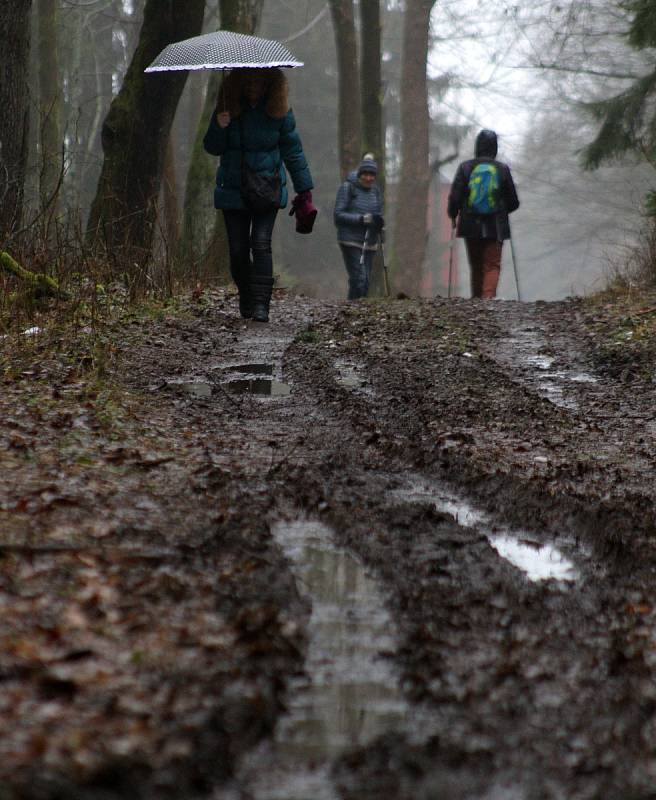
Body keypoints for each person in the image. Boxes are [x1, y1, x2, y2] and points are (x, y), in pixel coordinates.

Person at [203, 67, 314, 322]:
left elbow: (293, 151)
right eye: (249, 82)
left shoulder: (280, 112)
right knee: (238, 250)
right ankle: (247, 293)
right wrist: (219, 126)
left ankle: (262, 305)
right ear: (240, 83)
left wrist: (304, 189)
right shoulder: (226, 108)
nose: (253, 87)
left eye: (259, 82)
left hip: (268, 188)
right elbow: (211, 147)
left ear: (269, 85)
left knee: (261, 244)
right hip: (233, 190)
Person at [447, 129, 519, 299]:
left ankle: (477, 304)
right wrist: (502, 210)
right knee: (492, 265)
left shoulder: (465, 167)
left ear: (477, 146)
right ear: (495, 147)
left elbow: (455, 196)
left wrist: (452, 214)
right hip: (496, 226)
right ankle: (488, 301)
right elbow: (514, 202)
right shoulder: (502, 169)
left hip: (470, 225)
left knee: (476, 265)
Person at [333, 153, 384, 300]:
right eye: (365, 174)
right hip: (350, 240)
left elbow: (378, 212)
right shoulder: (348, 187)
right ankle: (353, 310)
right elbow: (338, 215)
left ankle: (355, 311)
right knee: (359, 279)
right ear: (360, 174)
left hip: (370, 242)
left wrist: (379, 223)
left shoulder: (375, 190)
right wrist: (362, 219)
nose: (368, 178)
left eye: (372, 175)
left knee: (366, 281)